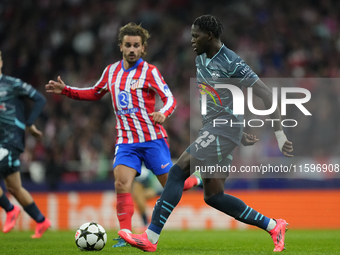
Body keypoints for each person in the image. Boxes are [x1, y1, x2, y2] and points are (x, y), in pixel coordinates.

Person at [118, 15, 294, 252]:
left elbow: (266, 94)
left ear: (209, 36)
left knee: (177, 172)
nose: (191, 41)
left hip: (222, 128)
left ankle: (150, 237)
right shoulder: (201, 57)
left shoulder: (232, 62)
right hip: (219, 128)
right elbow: (221, 97)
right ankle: (274, 225)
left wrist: (280, 136)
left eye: (195, 36)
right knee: (214, 196)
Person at [45, 23, 201, 247]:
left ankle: (197, 179)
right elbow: (94, 92)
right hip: (126, 141)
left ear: (143, 49)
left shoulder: (150, 71)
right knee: (121, 183)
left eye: (136, 46)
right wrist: (67, 90)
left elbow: (170, 99)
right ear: (121, 46)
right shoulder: (111, 71)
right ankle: (125, 234)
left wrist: (163, 113)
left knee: (173, 185)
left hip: (152, 139)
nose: (132, 49)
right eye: (128, 45)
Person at [0, 51, 51, 238]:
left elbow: (40, 99)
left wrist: (28, 123)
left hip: (11, 140)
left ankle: (10, 210)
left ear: (1, 62)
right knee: (13, 187)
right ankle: (41, 220)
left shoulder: (12, 84)